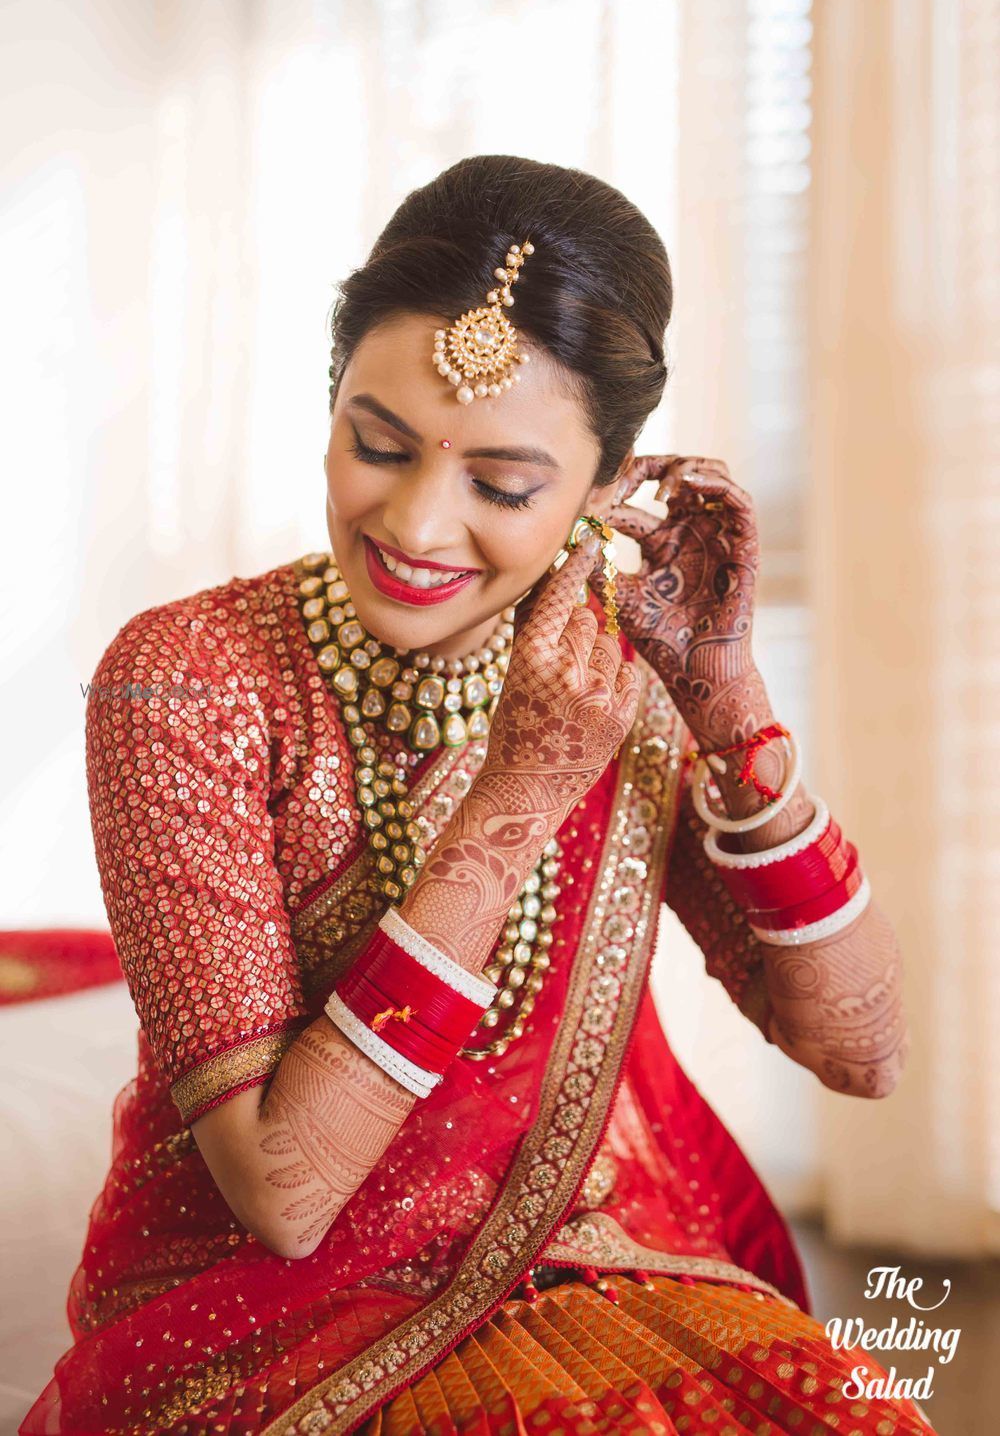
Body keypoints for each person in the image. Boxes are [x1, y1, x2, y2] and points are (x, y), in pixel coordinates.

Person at [20, 156, 934, 1435]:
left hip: (604, 1260)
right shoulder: (187, 681)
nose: (415, 521)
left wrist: (729, 709)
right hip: (270, 1328)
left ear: (605, 489)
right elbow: (280, 1192)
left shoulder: (614, 674)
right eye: (374, 444)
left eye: (501, 487)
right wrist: (515, 799)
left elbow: (865, 1056)